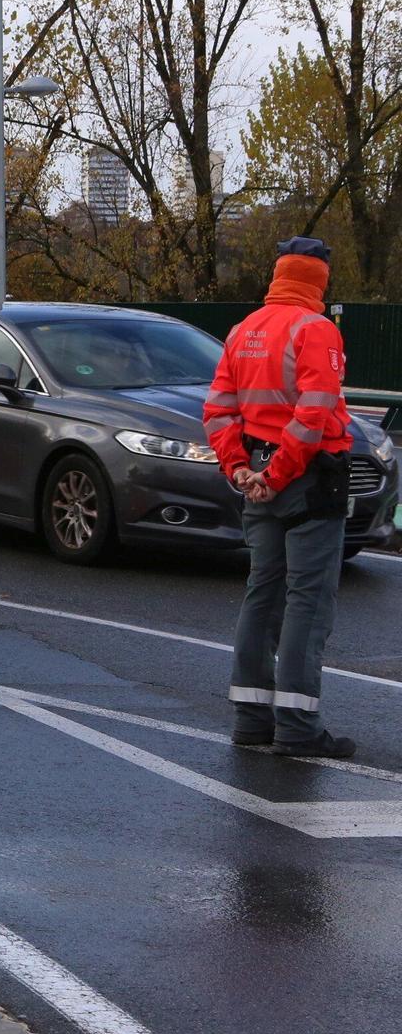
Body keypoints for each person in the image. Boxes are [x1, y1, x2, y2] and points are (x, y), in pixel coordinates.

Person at [202, 236, 356, 759]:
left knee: (261, 594)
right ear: (319, 280)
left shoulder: (243, 331)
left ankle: (251, 720)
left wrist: (243, 469)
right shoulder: (317, 330)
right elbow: (314, 413)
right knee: (307, 602)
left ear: (277, 275)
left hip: (259, 476)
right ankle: (297, 727)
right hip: (309, 478)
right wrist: (281, 473)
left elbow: (218, 412)